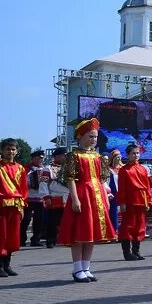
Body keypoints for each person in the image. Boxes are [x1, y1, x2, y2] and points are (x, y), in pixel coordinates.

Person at [58, 118, 117, 283]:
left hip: (96, 197)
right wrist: (75, 199)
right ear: (81, 136)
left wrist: (105, 197)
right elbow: (70, 179)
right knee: (80, 233)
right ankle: (77, 269)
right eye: (90, 136)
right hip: (82, 196)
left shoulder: (98, 156)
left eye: (95, 137)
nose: (93, 140)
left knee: (91, 234)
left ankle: (86, 267)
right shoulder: (74, 156)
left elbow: (102, 180)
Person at [0, 141, 28, 277]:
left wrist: (22, 206)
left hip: (15, 206)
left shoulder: (20, 168)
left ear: (17, 151)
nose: (10, 152)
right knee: (0, 236)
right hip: (1, 206)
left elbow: (23, 189)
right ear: (2, 151)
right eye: (8, 149)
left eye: (13, 149)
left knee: (11, 237)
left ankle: (7, 265)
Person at [117, 143, 152, 261]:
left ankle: (136, 251)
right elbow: (121, 188)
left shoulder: (143, 169)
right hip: (130, 201)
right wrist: (122, 203)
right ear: (127, 155)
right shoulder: (124, 170)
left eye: (137, 153)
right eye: (133, 153)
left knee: (140, 226)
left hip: (141, 200)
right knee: (128, 226)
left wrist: (148, 200)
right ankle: (126, 252)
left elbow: (147, 186)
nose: (136, 155)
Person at [39, 147, 69, 248]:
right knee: (53, 220)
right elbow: (43, 183)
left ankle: (65, 239)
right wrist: (46, 196)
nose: (65, 157)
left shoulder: (69, 168)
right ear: (57, 156)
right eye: (63, 155)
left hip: (68, 197)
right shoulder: (48, 168)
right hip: (55, 196)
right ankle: (50, 240)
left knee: (67, 220)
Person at [20, 149, 45, 247]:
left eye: (41, 158)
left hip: (40, 198)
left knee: (39, 220)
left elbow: (47, 181)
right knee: (25, 219)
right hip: (28, 197)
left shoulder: (44, 169)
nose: (40, 160)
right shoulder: (26, 169)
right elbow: (21, 181)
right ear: (33, 158)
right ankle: (21, 239)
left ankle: (36, 239)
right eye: (38, 158)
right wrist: (30, 183)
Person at [107, 150, 124, 233]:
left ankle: (122, 231)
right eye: (117, 157)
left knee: (122, 211)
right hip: (113, 192)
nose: (119, 158)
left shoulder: (122, 168)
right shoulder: (109, 169)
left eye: (119, 157)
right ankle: (114, 231)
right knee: (113, 211)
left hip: (122, 192)